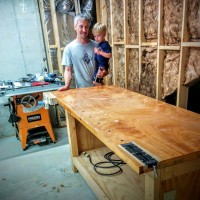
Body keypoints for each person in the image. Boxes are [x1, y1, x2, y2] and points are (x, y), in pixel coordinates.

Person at [59, 13, 105, 91]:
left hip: (98, 88)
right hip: (81, 91)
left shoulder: (97, 46)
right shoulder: (69, 48)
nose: (84, 30)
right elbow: (68, 70)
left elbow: (104, 66)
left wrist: (104, 72)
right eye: (81, 26)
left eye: (86, 27)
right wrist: (67, 85)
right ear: (75, 27)